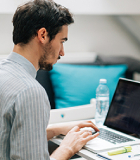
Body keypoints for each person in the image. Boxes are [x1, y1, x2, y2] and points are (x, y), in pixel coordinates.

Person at [0, 0, 99, 159]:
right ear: (43, 35)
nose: (62, 52)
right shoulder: (31, 92)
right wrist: (68, 147)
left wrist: (56, 130)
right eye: (61, 42)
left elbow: (7, 136)